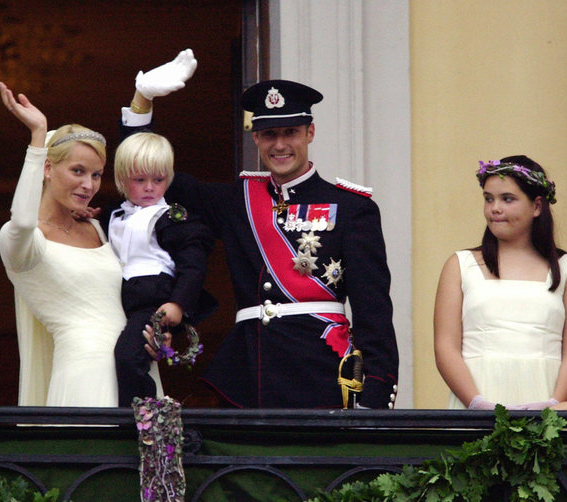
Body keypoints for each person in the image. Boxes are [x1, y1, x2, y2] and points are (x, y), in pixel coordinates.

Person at [123, 77, 399, 409]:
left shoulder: (353, 208)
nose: (279, 145)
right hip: (248, 378)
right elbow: (149, 175)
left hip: (320, 374)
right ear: (255, 137)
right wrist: (142, 106)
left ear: (310, 133)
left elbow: (374, 311)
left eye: (290, 133)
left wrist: (376, 391)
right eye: (269, 134)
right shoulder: (237, 201)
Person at [0, 51, 195, 407]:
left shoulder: (99, 228)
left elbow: (150, 181)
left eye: (96, 174)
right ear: (47, 169)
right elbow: (23, 220)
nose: (88, 184)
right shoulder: (23, 242)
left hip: (136, 364)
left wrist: (157, 328)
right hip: (84, 374)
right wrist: (38, 138)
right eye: (77, 171)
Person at [434, 156, 567, 410]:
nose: (495, 208)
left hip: (545, 395)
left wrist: (554, 405)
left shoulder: (566, 268)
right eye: (488, 198)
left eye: (507, 199)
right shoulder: (460, 265)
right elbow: (445, 346)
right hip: (477, 398)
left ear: (537, 206)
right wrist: (477, 403)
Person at [109, 131, 215, 407]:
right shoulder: (115, 215)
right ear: (122, 179)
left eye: (158, 180)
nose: (149, 188)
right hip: (117, 303)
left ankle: (144, 416)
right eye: (140, 180)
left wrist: (178, 304)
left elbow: (193, 265)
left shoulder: (170, 217)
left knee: (129, 356)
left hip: (151, 302)